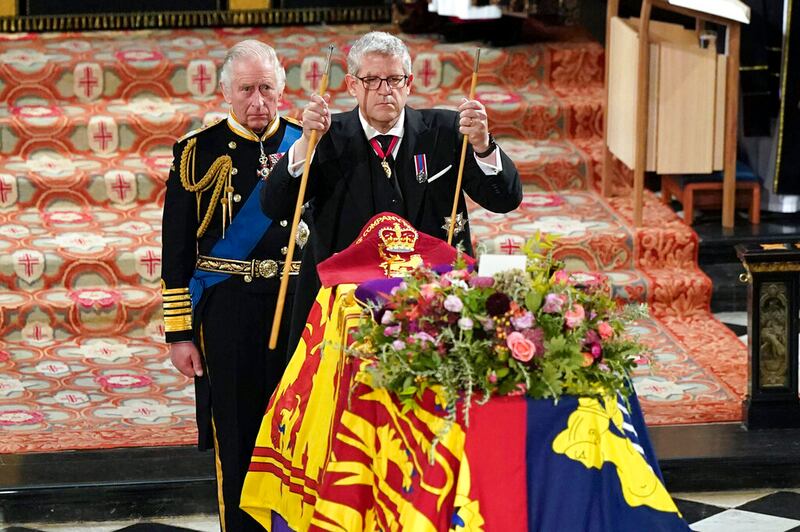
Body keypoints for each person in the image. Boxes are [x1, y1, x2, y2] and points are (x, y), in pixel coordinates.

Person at [261, 30, 522, 355]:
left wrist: (483, 145)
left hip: (433, 298)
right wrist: (304, 145)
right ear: (352, 85)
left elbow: (505, 199)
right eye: (371, 80)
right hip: (345, 301)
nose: (385, 90)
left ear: (409, 83)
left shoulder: (446, 132)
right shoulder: (325, 136)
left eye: (394, 79)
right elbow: (274, 205)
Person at [160, 39, 307, 532]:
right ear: (225, 90)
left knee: (299, 426)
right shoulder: (196, 153)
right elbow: (176, 250)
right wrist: (180, 334)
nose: (258, 101)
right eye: (246, 89)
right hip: (229, 308)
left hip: (297, 307)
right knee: (239, 430)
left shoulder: (308, 145)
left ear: (282, 89)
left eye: (267, 88)